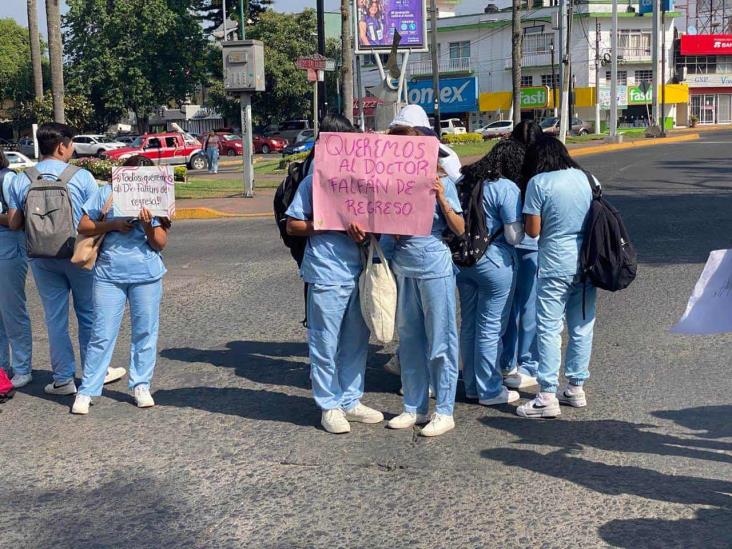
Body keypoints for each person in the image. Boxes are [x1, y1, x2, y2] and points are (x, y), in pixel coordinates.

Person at [285, 114, 384, 434]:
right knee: (325, 341)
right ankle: (329, 404)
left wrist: (366, 233)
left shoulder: (368, 183)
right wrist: (326, 224)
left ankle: (351, 400)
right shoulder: (312, 181)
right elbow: (293, 225)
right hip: (326, 271)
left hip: (360, 270)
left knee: (357, 340)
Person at [71, 155, 171, 414]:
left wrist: (149, 225)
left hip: (146, 274)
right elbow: (83, 224)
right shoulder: (108, 192)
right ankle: (87, 389)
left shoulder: (156, 196)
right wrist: (113, 224)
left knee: (145, 331)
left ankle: (141, 384)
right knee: (101, 333)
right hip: (108, 274)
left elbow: (160, 243)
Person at [7, 123, 98, 395]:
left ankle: (63, 379)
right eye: (71, 145)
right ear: (62, 146)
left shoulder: (22, 179)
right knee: (88, 315)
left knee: (55, 318)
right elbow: (92, 221)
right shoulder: (81, 177)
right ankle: (93, 375)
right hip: (77, 256)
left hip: (41, 257)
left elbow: (14, 223)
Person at [386, 125, 465, 437]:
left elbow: (460, 228)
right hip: (404, 266)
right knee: (409, 340)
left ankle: (444, 409)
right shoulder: (392, 185)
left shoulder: (442, 180)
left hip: (435, 266)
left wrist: (442, 198)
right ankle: (414, 406)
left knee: (441, 340)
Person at [516, 135, 598, 419]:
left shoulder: (539, 184)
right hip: (588, 262)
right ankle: (576, 387)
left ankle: (547, 394)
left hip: (554, 263)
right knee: (582, 326)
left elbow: (533, 231)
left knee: (550, 328)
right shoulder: (589, 179)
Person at [457, 139, 526, 406]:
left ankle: (472, 386)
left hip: (463, 263)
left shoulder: (465, 182)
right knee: (490, 327)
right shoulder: (505, 188)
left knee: (469, 325)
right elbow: (513, 235)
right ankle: (489, 389)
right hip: (495, 263)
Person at [501, 121, 544, 391]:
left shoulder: (507, 165)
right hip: (533, 243)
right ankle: (528, 363)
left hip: (506, 243)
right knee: (529, 305)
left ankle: (506, 361)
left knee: (507, 305)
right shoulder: (541, 169)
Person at [0, 151, 32, 389]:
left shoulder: (7, 178)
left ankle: (21, 367)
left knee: (12, 310)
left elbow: (17, 220)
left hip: (9, 247)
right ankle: (3, 367)